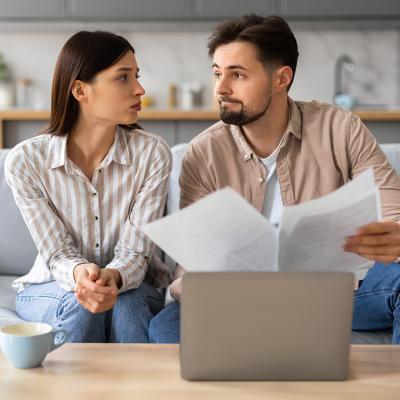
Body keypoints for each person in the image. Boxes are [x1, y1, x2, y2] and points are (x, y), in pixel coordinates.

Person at [148, 14, 400, 344]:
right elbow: (191, 263)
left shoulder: (340, 128)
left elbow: (393, 213)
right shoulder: (204, 152)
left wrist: (391, 238)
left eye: (237, 75)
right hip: (240, 299)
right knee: (165, 328)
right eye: (217, 74)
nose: (221, 88)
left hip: (334, 293)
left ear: (281, 79)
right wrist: (191, 286)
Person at [5, 31, 172, 343]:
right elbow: (57, 253)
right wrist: (83, 275)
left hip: (134, 285)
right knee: (81, 305)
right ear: (80, 90)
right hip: (53, 285)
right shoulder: (26, 161)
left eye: (137, 76)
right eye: (123, 78)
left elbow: (137, 251)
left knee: (127, 307)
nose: (140, 89)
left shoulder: (152, 153)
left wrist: (113, 277)